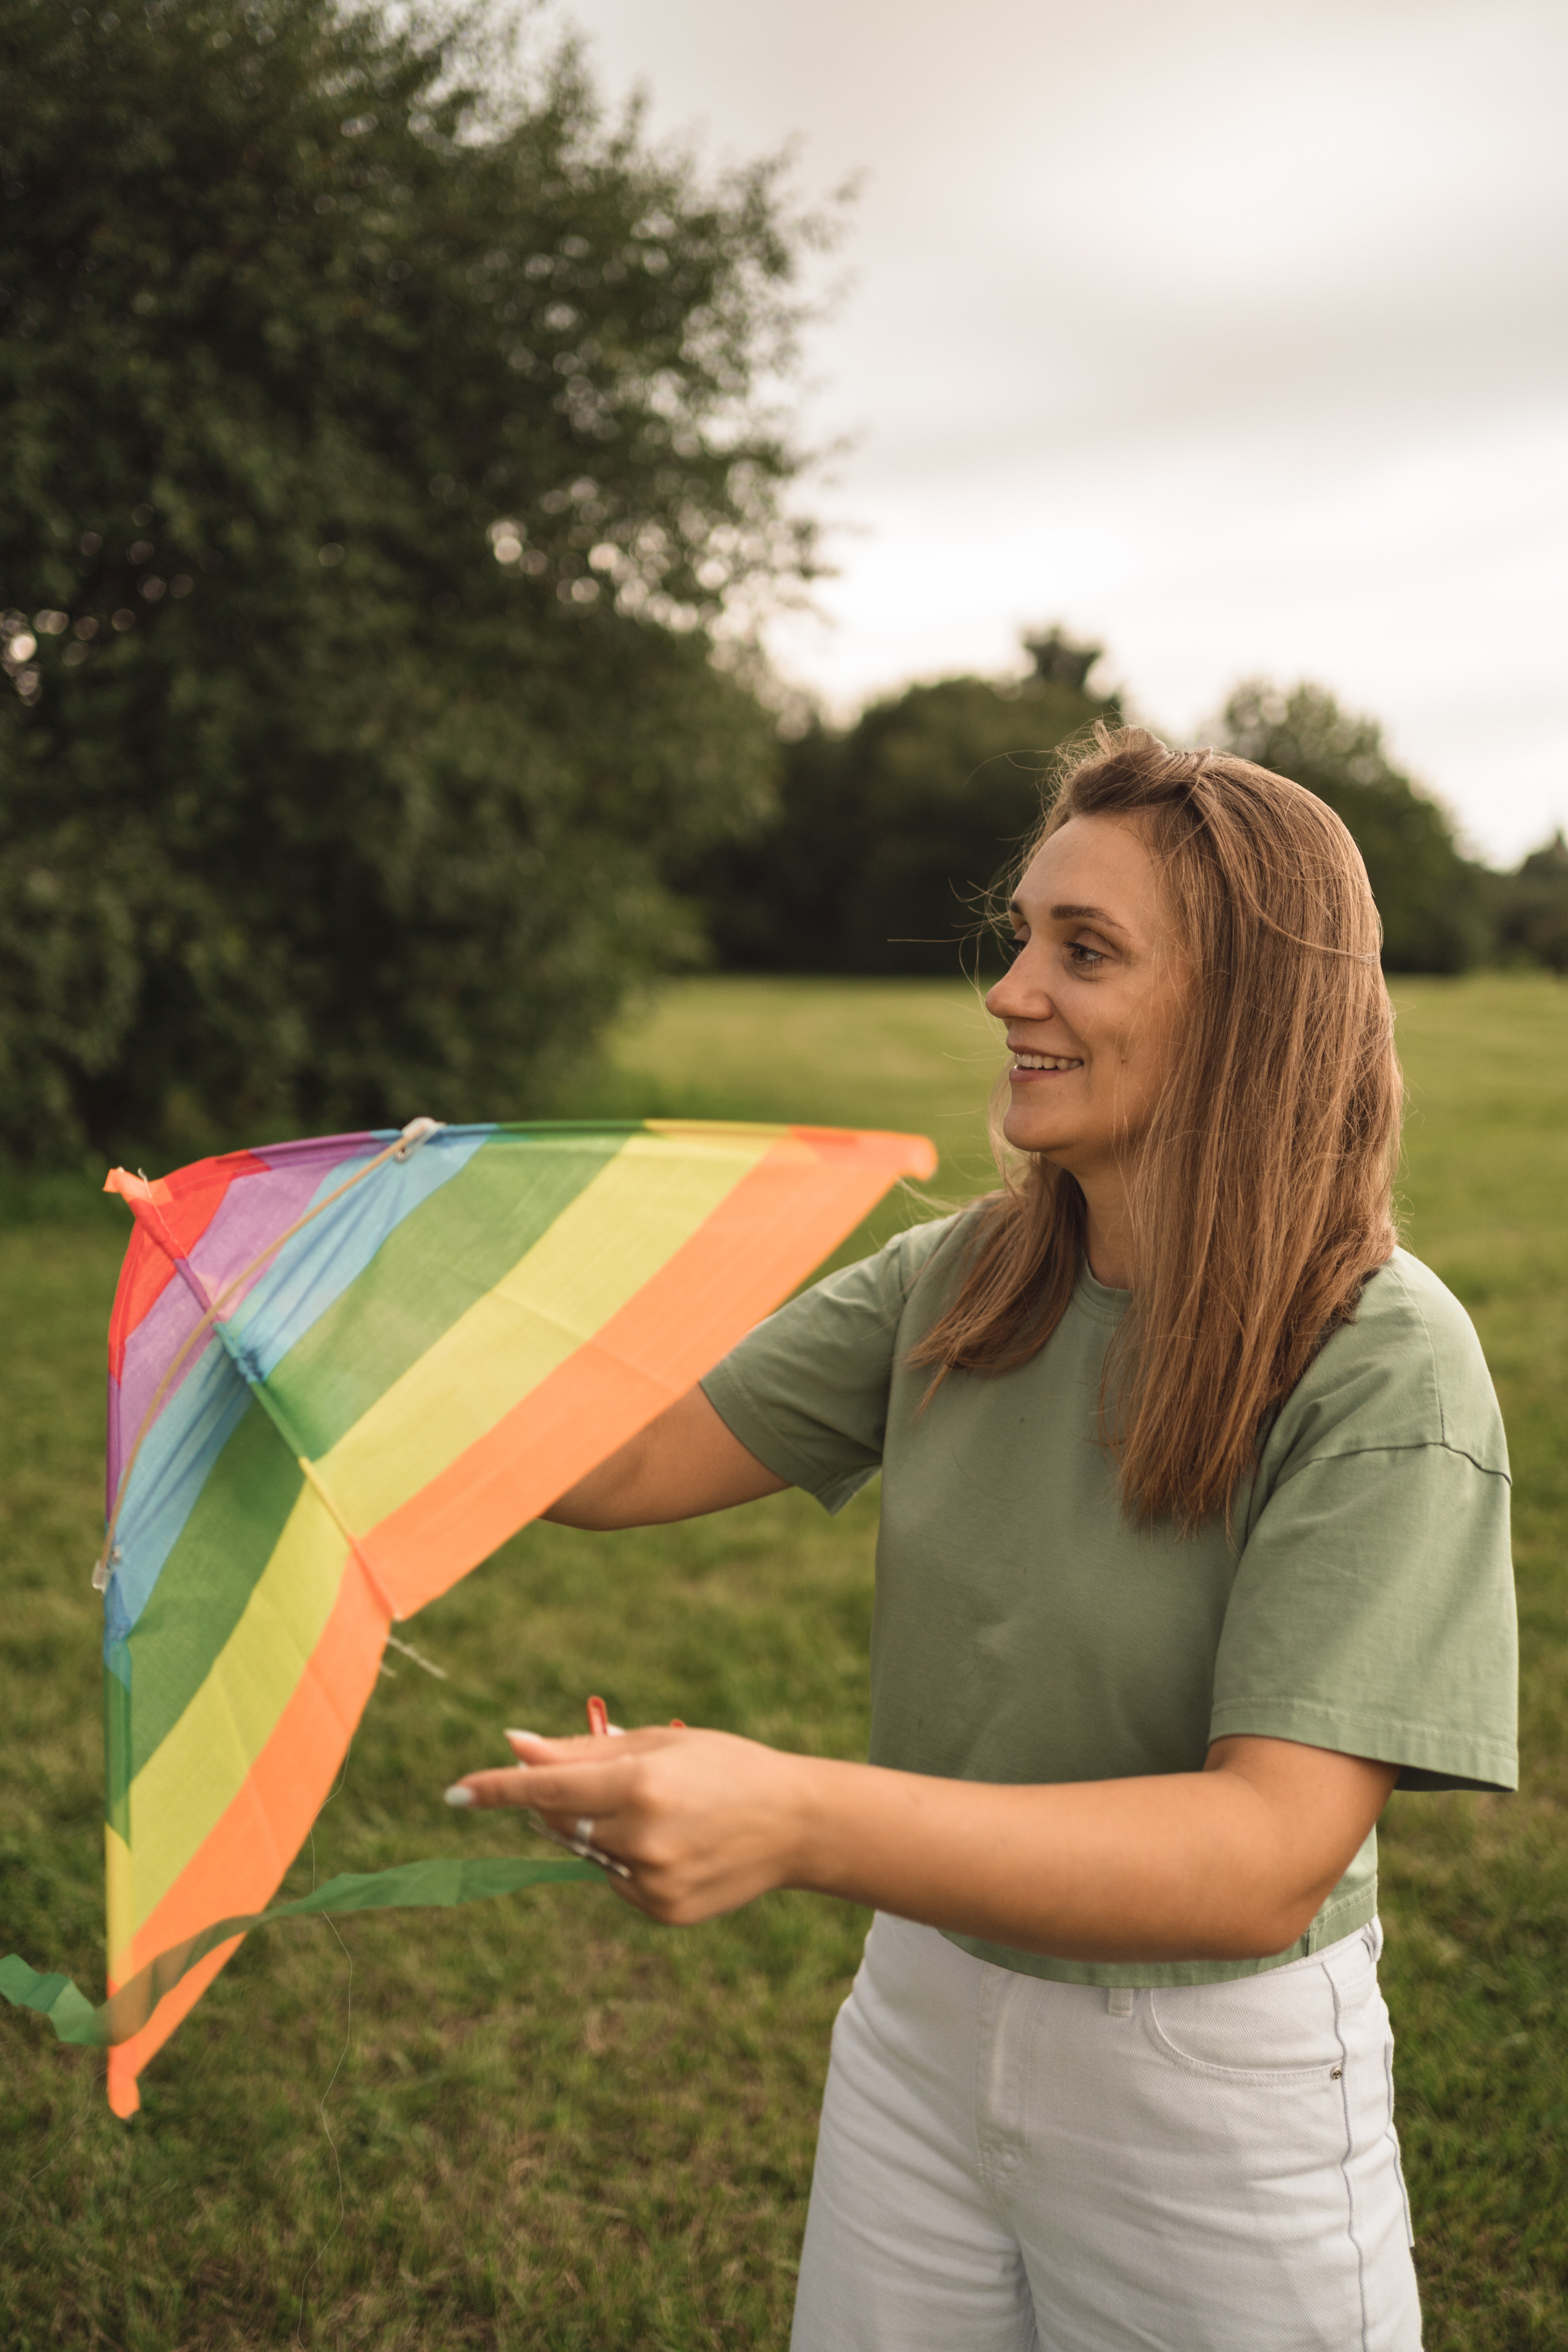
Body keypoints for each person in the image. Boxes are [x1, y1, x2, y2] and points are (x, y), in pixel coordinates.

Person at [450, 726, 1517, 2351]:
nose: (1013, 990)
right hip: (923, 2016)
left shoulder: (1382, 1361)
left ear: (1247, 1012)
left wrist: (797, 1815)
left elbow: (1261, 1859)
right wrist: (333, 1343)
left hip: (1209, 2084)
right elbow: (624, 1457)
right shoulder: (963, 1277)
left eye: (1083, 951)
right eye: (1022, 937)